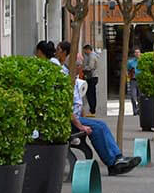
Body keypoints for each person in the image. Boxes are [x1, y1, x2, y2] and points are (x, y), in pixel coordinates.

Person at [37, 41, 137, 175]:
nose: (80, 68)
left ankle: (117, 158)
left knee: (101, 125)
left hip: (72, 118)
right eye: (78, 65)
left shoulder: (63, 72)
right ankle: (113, 162)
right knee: (97, 128)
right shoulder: (57, 73)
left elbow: (74, 101)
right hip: (67, 121)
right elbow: (65, 105)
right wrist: (81, 125)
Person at [81, 43, 101, 116]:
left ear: (88, 50)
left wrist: (83, 68)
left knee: (90, 94)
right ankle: (92, 110)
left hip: (91, 77)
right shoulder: (93, 55)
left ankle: (92, 111)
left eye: (85, 51)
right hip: (93, 76)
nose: (84, 52)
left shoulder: (91, 56)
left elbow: (90, 67)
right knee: (91, 93)